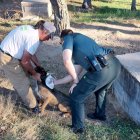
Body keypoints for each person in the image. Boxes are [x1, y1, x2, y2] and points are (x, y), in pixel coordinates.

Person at [54, 29, 121, 134]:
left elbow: (66, 61)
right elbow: (73, 74)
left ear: (62, 39)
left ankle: (78, 128)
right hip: (115, 65)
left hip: (102, 70)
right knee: (101, 91)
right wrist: (55, 82)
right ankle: (100, 115)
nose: (62, 45)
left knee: (76, 96)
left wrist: (76, 82)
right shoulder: (81, 44)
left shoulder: (68, 38)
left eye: (61, 42)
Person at [0, 20, 56, 114]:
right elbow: (25, 61)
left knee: (25, 74)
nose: (48, 39)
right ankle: (33, 107)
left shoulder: (32, 30)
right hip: (8, 58)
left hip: (9, 53)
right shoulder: (33, 39)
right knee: (23, 83)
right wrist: (34, 74)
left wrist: (38, 66)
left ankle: (24, 92)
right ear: (44, 31)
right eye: (49, 36)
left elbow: (30, 53)